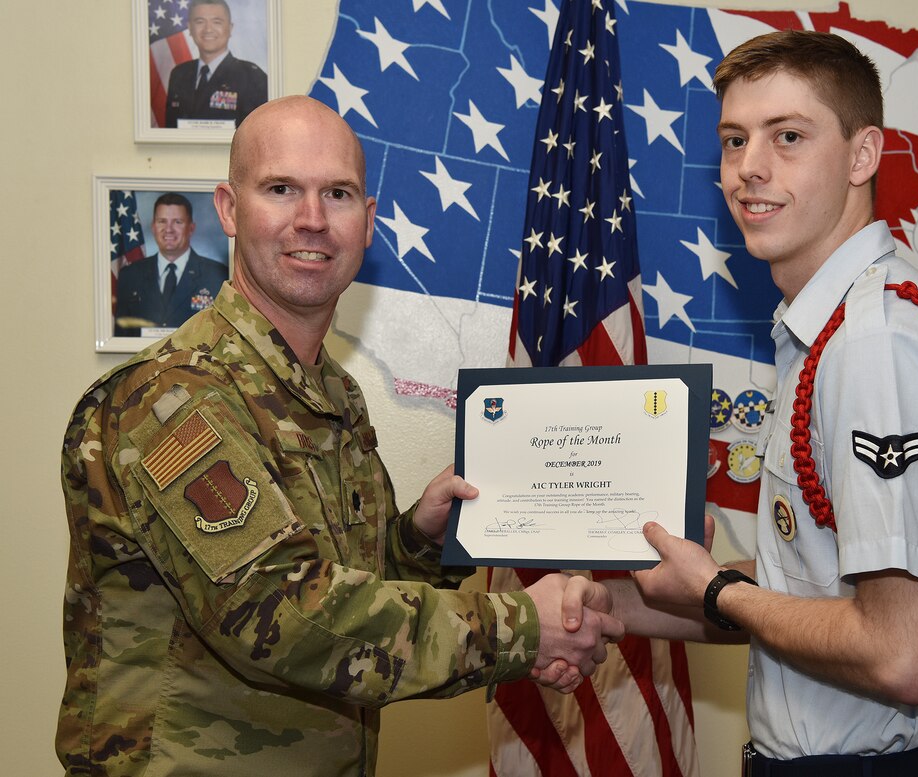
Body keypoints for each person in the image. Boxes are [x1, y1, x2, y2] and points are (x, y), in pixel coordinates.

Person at [58, 95, 621, 776]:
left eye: (339, 193)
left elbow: (342, 583)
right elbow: (279, 611)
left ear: (368, 221)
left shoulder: (330, 394)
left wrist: (418, 537)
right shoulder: (172, 398)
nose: (313, 219)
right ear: (230, 210)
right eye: (281, 188)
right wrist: (519, 627)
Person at [564, 30, 918, 776]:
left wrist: (712, 586)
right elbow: (815, 599)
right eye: (735, 140)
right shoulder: (830, 331)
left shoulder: (877, 344)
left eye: (789, 137)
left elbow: (902, 654)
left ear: (863, 155)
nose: (749, 170)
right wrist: (624, 607)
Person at [114, 192, 229, 336]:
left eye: (177, 222)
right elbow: (121, 335)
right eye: (162, 221)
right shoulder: (130, 275)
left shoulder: (217, 276)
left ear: (191, 228)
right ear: (153, 227)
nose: (168, 229)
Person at [164, 0, 267, 128]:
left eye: (217, 22)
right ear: (190, 28)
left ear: (230, 28)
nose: (208, 29)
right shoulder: (179, 74)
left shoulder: (252, 76)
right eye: (200, 22)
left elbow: (256, 133)